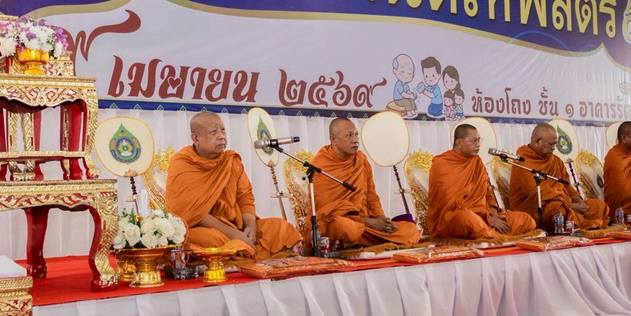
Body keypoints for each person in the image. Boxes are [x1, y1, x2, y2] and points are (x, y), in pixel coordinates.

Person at [165, 111, 301, 258]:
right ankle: (242, 252)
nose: (221, 136)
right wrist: (233, 234)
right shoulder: (183, 163)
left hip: (237, 226)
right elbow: (194, 212)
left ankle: (246, 252)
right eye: (213, 132)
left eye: (223, 130)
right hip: (204, 227)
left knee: (280, 227)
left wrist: (251, 226)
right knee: (212, 240)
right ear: (195, 138)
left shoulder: (230, 161)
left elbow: (245, 198)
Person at [312, 117, 422, 247]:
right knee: (342, 226)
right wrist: (368, 222)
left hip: (364, 226)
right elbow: (326, 214)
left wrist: (381, 219)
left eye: (356, 134)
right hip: (343, 223)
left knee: (410, 229)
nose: (355, 140)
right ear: (333, 139)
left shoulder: (361, 159)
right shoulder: (321, 165)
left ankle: (348, 242)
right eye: (349, 135)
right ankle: (348, 240)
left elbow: (371, 195)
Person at [428, 124, 536, 238]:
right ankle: (496, 236)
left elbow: (487, 191)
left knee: (525, 220)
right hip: (454, 218)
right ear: (459, 142)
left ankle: (488, 234)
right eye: (474, 141)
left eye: (479, 140)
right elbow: (451, 204)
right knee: (467, 219)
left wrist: (493, 214)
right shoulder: (442, 164)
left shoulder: (477, 161)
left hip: (484, 216)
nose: (478, 144)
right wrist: (487, 218)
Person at [508, 123, 609, 230]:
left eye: (555, 144)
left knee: (598, 205)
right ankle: (584, 224)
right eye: (550, 144)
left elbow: (567, 186)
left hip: (565, 204)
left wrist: (580, 203)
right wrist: (570, 206)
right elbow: (538, 194)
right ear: (538, 142)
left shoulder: (555, 161)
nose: (554, 148)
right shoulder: (523, 161)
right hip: (538, 210)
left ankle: (583, 224)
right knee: (557, 210)